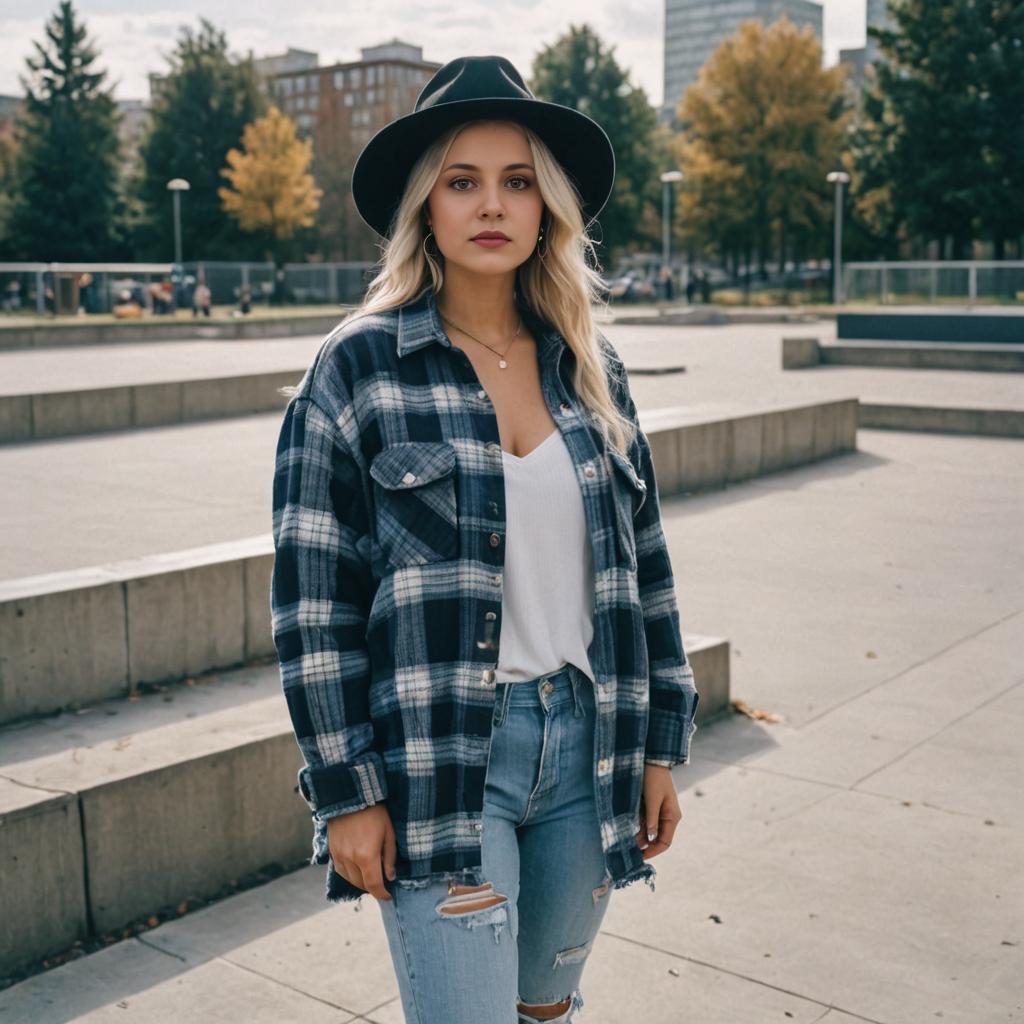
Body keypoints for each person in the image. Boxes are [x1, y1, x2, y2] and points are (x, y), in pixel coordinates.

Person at [269, 54, 699, 1024]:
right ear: (426, 205)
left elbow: (649, 572)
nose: (490, 204)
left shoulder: (590, 369)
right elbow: (311, 607)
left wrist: (661, 746)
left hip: (589, 750)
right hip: (442, 762)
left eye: (517, 181)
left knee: (546, 1005)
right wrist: (346, 793)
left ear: (548, 206)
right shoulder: (356, 369)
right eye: (462, 181)